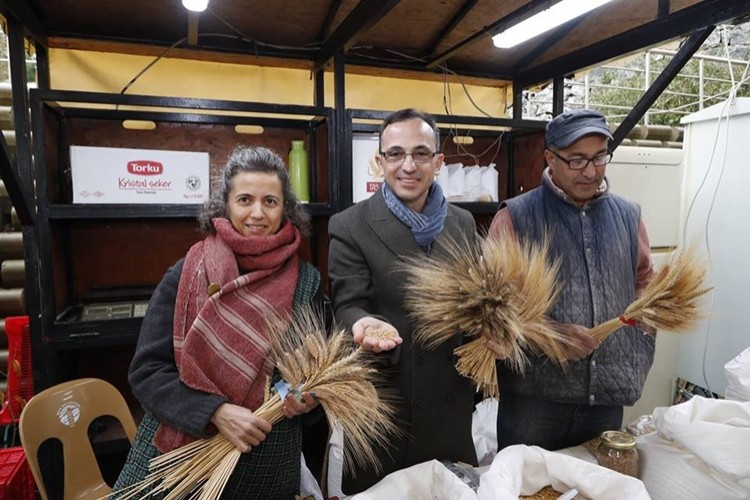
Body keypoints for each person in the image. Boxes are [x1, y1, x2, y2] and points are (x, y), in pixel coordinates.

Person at [113, 146, 325, 499]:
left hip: (267, 462)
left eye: (270, 202)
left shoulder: (307, 283)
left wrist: (304, 398)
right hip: (183, 459)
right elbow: (147, 372)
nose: (257, 213)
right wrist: (216, 412)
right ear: (224, 204)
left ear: (285, 209)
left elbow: (308, 376)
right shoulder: (187, 272)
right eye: (245, 199)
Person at [328, 108, 479, 494]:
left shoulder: (462, 223)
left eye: (420, 153)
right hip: (389, 408)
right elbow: (347, 302)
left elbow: (474, 300)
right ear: (380, 162)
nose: (407, 165)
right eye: (395, 154)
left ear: (438, 162)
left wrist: (489, 330)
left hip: (449, 410)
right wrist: (361, 324)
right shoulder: (351, 225)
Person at [489, 108, 656, 451]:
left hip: (607, 397)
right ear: (550, 158)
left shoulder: (628, 216)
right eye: (577, 160)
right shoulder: (516, 216)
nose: (591, 171)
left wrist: (643, 336)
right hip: (535, 401)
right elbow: (489, 308)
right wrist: (549, 336)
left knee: (594, 486)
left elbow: (644, 280)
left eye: (599, 158)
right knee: (529, 488)